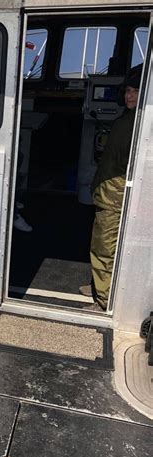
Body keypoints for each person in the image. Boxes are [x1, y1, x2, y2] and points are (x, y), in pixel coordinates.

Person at [81, 64, 142, 311]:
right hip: (107, 192)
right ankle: (99, 284)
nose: (129, 96)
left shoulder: (141, 124)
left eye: (136, 91)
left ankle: (104, 300)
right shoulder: (126, 119)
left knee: (105, 247)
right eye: (127, 90)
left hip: (116, 196)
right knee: (104, 243)